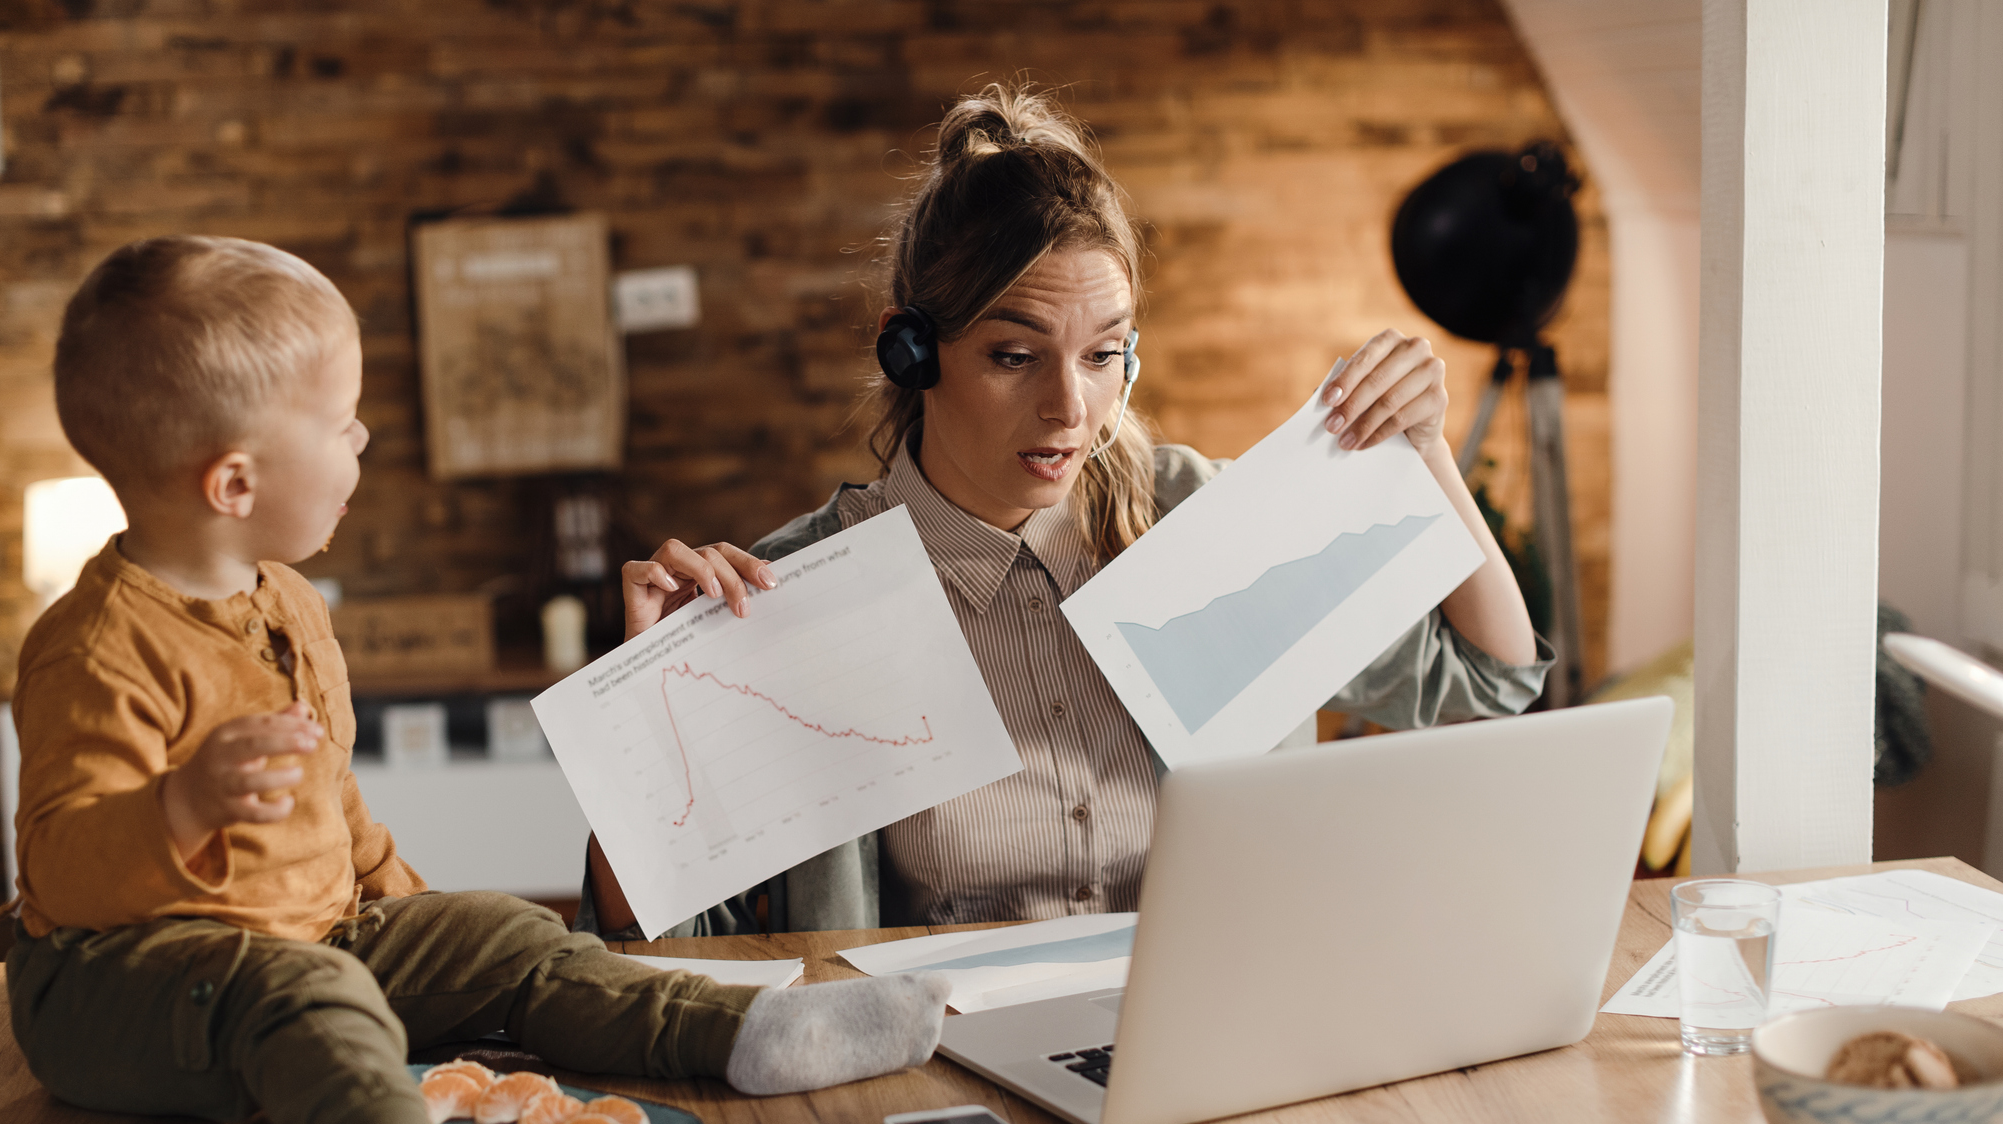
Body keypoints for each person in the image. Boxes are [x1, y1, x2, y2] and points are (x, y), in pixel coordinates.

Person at [4, 236, 949, 1124]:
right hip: (116, 987)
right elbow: (58, 868)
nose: (364, 436)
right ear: (234, 480)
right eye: (339, 423)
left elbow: (334, 811)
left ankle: (745, 1033)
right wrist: (180, 806)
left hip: (317, 938)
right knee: (297, 990)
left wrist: (418, 933)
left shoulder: (294, 607)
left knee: (499, 931)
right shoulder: (94, 648)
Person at [582, 85, 1550, 941]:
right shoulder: (792, 596)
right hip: (934, 1062)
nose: (1069, 408)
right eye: (1015, 355)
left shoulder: (1203, 522)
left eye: (1104, 355)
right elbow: (660, 941)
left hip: (1214, 1030)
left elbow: (1487, 682)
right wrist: (643, 709)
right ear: (910, 354)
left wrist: (1423, 451)